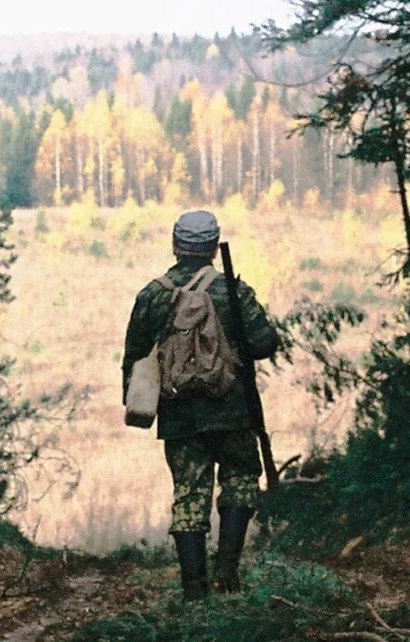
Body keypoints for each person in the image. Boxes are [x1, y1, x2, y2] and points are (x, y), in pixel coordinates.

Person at [122, 209, 279, 601]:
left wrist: (139, 401)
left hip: (180, 415)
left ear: (176, 244)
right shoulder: (233, 291)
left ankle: (194, 592)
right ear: (213, 246)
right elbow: (264, 344)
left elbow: (134, 355)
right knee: (240, 480)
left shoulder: (153, 295)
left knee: (189, 495)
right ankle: (227, 573)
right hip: (233, 411)